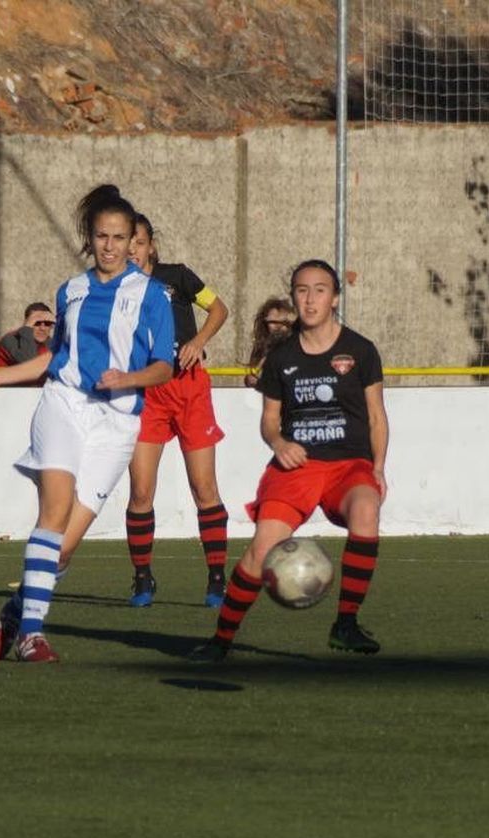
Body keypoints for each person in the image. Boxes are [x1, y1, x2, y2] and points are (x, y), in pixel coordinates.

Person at [0, 184, 175, 662]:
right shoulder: (71, 290)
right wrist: (0, 375)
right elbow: (56, 359)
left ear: (134, 240)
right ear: (91, 237)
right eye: (102, 236)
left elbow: (164, 366)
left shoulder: (153, 295)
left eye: (121, 237)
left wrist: (130, 377)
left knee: (62, 550)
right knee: (53, 513)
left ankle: (13, 615)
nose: (111, 246)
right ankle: (32, 637)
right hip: (64, 404)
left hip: (118, 424)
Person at [188, 259, 388, 663]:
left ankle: (345, 625)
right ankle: (220, 640)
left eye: (319, 290)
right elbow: (269, 421)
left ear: (334, 297)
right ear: (294, 297)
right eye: (301, 290)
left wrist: (378, 468)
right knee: (261, 551)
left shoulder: (361, 350)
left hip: (348, 467)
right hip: (296, 469)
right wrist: (279, 443)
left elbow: (377, 416)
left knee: (366, 510)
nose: (310, 298)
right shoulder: (281, 358)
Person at [121, 213, 233, 608]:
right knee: (140, 491)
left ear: (151, 245)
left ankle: (217, 578)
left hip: (189, 390)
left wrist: (198, 340)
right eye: (124, 241)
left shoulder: (178, 277)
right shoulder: (113, 288)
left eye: (137, 241)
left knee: (204, 489)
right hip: (147, 393)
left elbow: (219, 308)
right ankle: (142, 578)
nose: (130, 249)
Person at [244, 297, 296, 389]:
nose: (278, 326)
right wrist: (251, 379)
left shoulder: (299, 344)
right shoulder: (261, 348)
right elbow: (252, 377)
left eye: (283, 322)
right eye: (273, 322)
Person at [0, 301, 56, 373]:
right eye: (37, 323)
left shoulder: (51, 343)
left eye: (47, 323)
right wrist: (26, 329)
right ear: (27, 323)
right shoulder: (10, 340)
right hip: (8, 383)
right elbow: (31, 366)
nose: (42, 328)